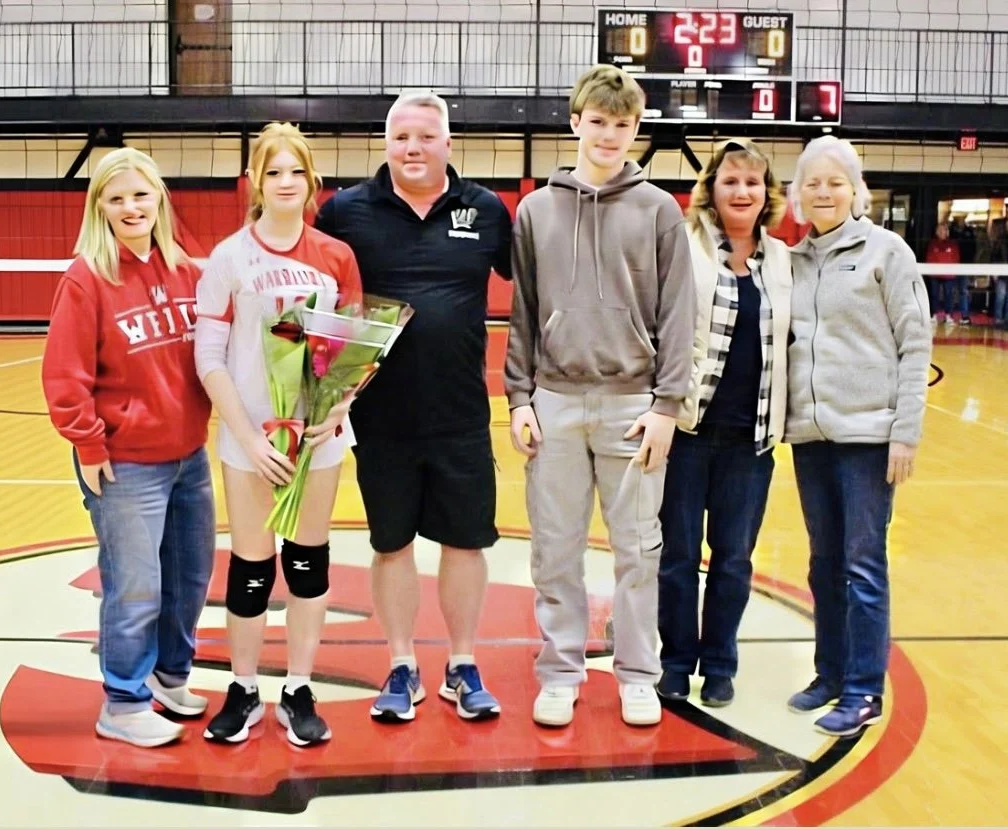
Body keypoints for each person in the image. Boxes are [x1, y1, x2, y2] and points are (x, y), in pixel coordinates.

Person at [503, 64, 696, 728]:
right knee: (554, 547)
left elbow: (678, 315)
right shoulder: (534, 210)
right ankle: (560, 671)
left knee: (639, 549)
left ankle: (637, 673)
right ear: (575, 121)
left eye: (622, 125)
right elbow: (522, 309)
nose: (609, 135)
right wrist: (518, 398)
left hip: (633, 407)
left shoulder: (659, 210)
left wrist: (668, 404)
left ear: (635, 130)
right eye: (598, 121)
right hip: (554, 401)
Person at [315, 91, 511, 723]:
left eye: (426, 137)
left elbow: (538, 285)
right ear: (386, 144)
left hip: (461, 415)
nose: (413, 148)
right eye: (402, 137)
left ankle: (462, 663)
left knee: (464, 544)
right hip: (380, 419)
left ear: (448, 143)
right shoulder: (345, 210)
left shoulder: (484, 211)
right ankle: (401, 664)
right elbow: (305, 285)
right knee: (391, 545)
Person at [194, 122, 362, 747]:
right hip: (250, 441)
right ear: (255, 183)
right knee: (251, 566)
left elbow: (350, 351)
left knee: (307, 562)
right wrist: (250, 437)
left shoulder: (335, 256)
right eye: (273, 172)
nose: (286, 183)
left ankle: (297, 686)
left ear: (310, 180)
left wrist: (337, 407)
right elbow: (209, 357)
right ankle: (242, 688)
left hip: (318, 438)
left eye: (296, 171)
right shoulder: (229, 258)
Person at [41, 147, 215, 748]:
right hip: (124, 462)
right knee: (135, 583)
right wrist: (89, 445)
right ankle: (122, 700)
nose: (131, 207)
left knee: (189, 576)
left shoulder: (189, 272)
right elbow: (64, 376)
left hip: (188, 456)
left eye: (141, 194)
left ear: (159, 198)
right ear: (100, 208)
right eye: (116, 198)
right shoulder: (87, 278)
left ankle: (169, 678)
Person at [784, 135, 931, 736]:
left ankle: (865, 690)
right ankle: (831, 673)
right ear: (798, 193)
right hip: (811, 438)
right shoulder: (792, 261)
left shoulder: (887, 252)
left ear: (855, 190)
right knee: (823, 564)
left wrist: (906, 432)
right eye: (812, 182)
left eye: (835, 181)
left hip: (870, 438)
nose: (823, 191)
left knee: (862, 565)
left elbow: (915, 342)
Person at [656, 138, 792, 708]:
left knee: (733, 560)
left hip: (751, 442)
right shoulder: (684, 246)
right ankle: (674, 662)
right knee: (678, 558)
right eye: (730, 180)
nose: (742, 191)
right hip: (688, 434)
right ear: (711, 188)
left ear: (768, 195)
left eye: (753, 182)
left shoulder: (784, 260)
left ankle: (720, 664)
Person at [924, 223, 965, 326]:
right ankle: (934, 315)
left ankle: (948, 316)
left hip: (949, 274)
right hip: (934, 274)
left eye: (945, 230)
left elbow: (956, 258)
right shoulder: (932, 244)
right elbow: (929, 258)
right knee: (934, 295)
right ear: (937, 232)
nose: (943, 232)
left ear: (948, 232)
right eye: (940, 230)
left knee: (949, 295)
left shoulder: (953, 244)